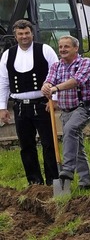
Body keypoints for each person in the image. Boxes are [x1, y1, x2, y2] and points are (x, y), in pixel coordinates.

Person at [0, 19, 59, 186]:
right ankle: (34, 183)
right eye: (20, 34)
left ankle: (53, 182)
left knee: (49, 143)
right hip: (20, 108)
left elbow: (56, 74)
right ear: (15, 35)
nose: (24, 36)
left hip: (42, 105)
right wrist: (2, 107)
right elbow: (3, 82)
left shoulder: (45, 50)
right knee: (26, 146)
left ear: (32, 33)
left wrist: (53, 100)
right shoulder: (8, 55)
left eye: (27, 33)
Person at [41, 35, 90, 190]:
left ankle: (67, 170)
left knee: (70, 130)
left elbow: (76, 81)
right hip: (65, 110)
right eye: (60, 47)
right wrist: (46, 86)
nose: (63, 50)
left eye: (66, 46)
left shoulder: (85, 63)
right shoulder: (56, 66)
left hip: (83, 107)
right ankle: (86, 182)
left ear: (75, 48)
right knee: (76, 146)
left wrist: (55, 88)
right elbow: (49, 80)